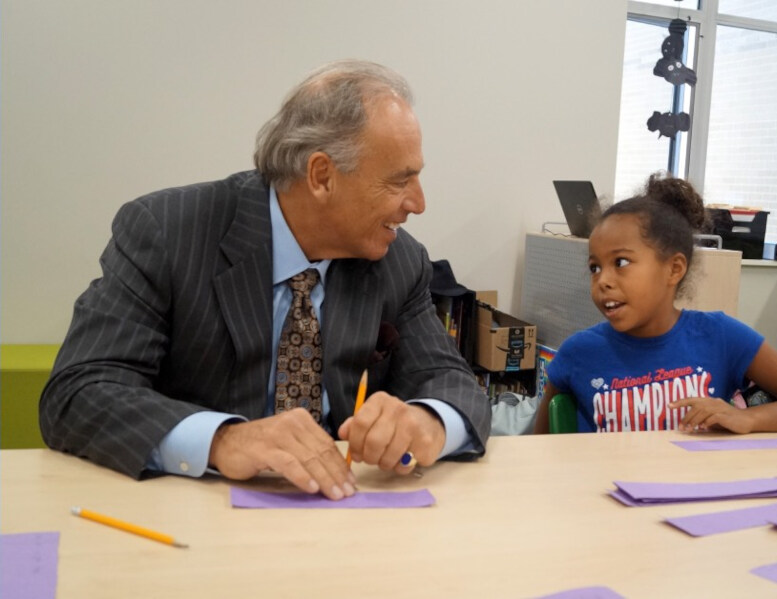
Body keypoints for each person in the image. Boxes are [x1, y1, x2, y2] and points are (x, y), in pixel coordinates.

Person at [39, 59, 491, 500]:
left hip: (345, 511)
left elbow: (451, 383)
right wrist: (224, 440)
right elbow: (78, 392)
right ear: (321, 176)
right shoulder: (167, 233)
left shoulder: (399, 261)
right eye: (398, 181)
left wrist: (429, 422)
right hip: (194, 510)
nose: (418, 203)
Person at [533, 173, 777, 435]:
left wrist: (748, 418)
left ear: (674, 269)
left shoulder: (720, 335)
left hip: (696, 488)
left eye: (621, 262)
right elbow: (539, 449)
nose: (603, 280)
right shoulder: (578, 352)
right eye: (595, 267)